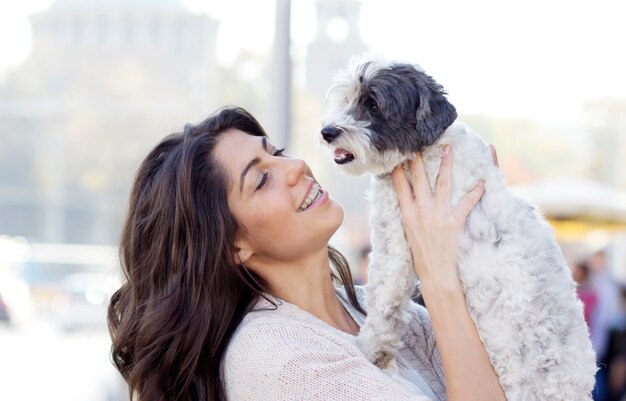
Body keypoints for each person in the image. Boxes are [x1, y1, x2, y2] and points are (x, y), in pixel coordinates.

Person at [107, 106, 505, 401]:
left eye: (276, 152)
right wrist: (436, 275)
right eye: (262, 180)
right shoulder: (276, 360)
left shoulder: (377, 310)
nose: (295, 166)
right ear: (233, 246)